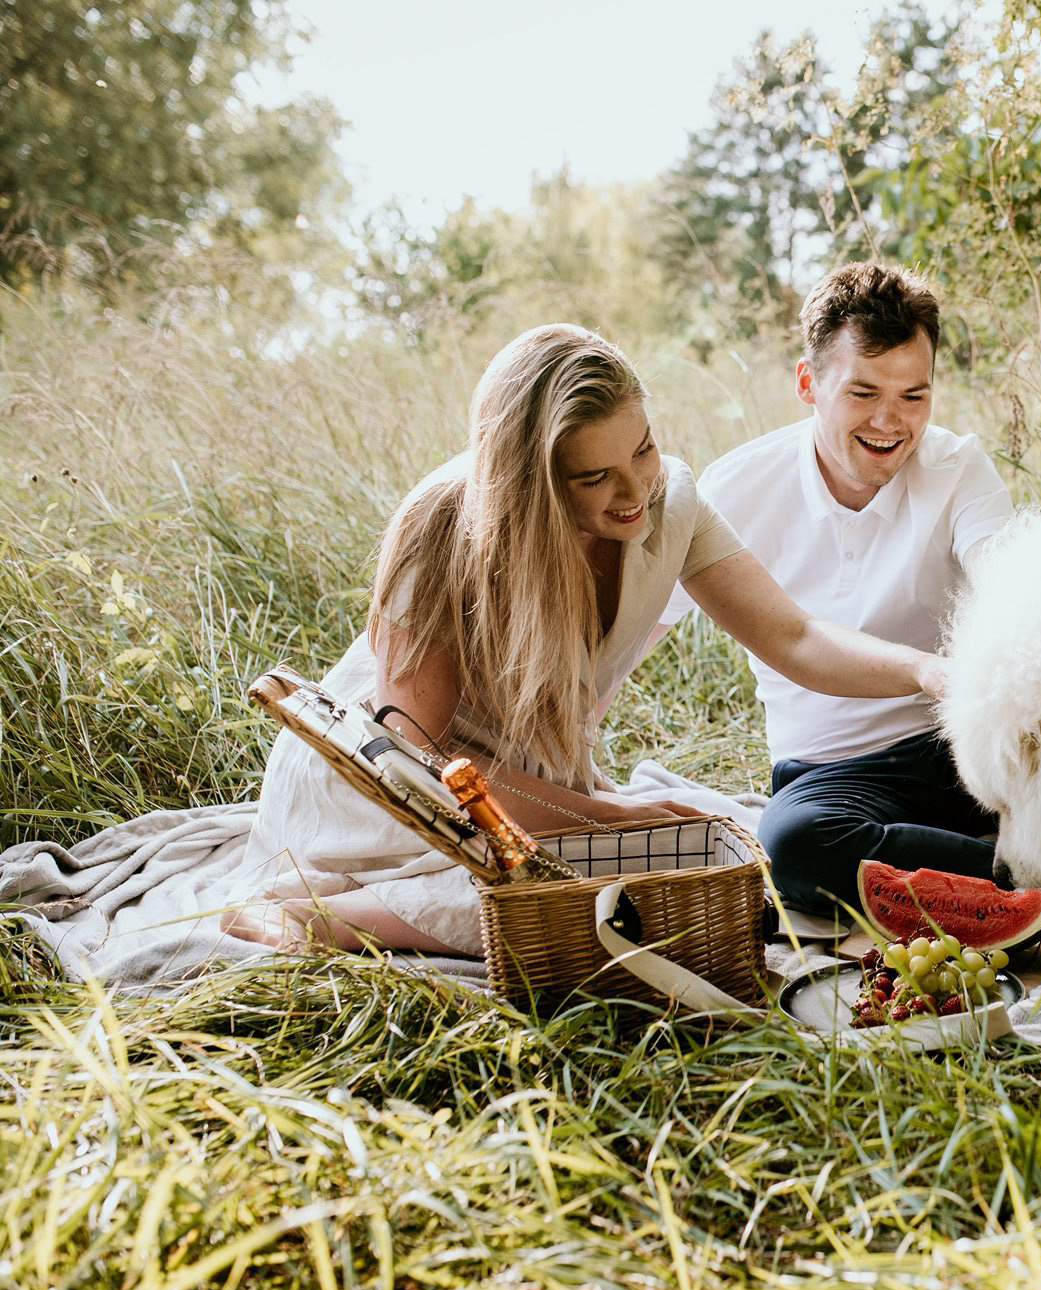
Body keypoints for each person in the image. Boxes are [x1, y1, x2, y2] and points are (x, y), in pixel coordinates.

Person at [223, 322, 946, 954]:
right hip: (389, 787)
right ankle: (311, 918)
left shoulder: (671, 503)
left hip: (523, 781)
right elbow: (426, 756)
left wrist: (928, 672)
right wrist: (609, 812)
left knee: (715, 863)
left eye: (644, 450)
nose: (635, 491)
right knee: (593, 904)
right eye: (595, 476)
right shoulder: (440, 528)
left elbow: (795, 637)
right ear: (527, 482)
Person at [683, 262, 1014, 918]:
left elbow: (1013, 578)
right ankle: (1031, 871)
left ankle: (1010, 857)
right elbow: (633, 630)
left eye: (914, 396)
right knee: (794, 846)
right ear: (809, 382)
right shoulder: (733, 490)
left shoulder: (956, 466)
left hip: (963, 744)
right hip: (837, 776)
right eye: (863, 393)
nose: (891, 423)